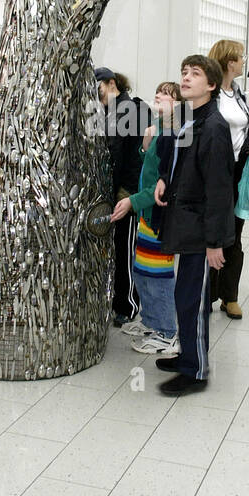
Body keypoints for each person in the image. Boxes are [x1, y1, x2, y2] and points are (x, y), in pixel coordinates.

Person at [153, 54, 235, 396]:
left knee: (194, 300)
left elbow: (219, 190)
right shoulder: (189, 118)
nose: (186, 78)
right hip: (184, 222)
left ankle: (196, 370)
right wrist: (162, 179)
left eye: (195, 73)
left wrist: (214, 242)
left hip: (201, 230)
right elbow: (175, 159)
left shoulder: (214, 127)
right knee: (184, 295)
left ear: (212, 85)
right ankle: (187, 353)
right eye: (184, 71)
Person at [110, 82, 182, 357]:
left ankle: (166, 333)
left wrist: (132, 202)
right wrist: (143, 147)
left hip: (159, 214)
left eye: (167, 94)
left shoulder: (174, 134)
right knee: (142, 271)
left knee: (158, 275)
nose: (159, 96)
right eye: (159, 92)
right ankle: (152, 323)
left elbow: (165, 184)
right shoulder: (158, 129)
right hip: (148, 214)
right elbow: (149, 170)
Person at [95, 67, 151, 325]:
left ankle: (127, 305)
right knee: (115, 249)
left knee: (124, 250)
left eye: (99, 85)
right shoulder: (103, 112)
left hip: (124, 194)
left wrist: (128, 195)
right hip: (108, 194)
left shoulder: (134, 110)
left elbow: (136, 159)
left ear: (111, 83)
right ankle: (116, 301)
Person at [208, 39, 249, 319]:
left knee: (234, 234)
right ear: (228, 62)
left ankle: (230, 296)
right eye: (240, 57)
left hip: (239, 171)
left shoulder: (238, 94)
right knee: (213, 233)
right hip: (215, 170)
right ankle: (208, 293)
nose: (243, 62)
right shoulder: (211, 95)